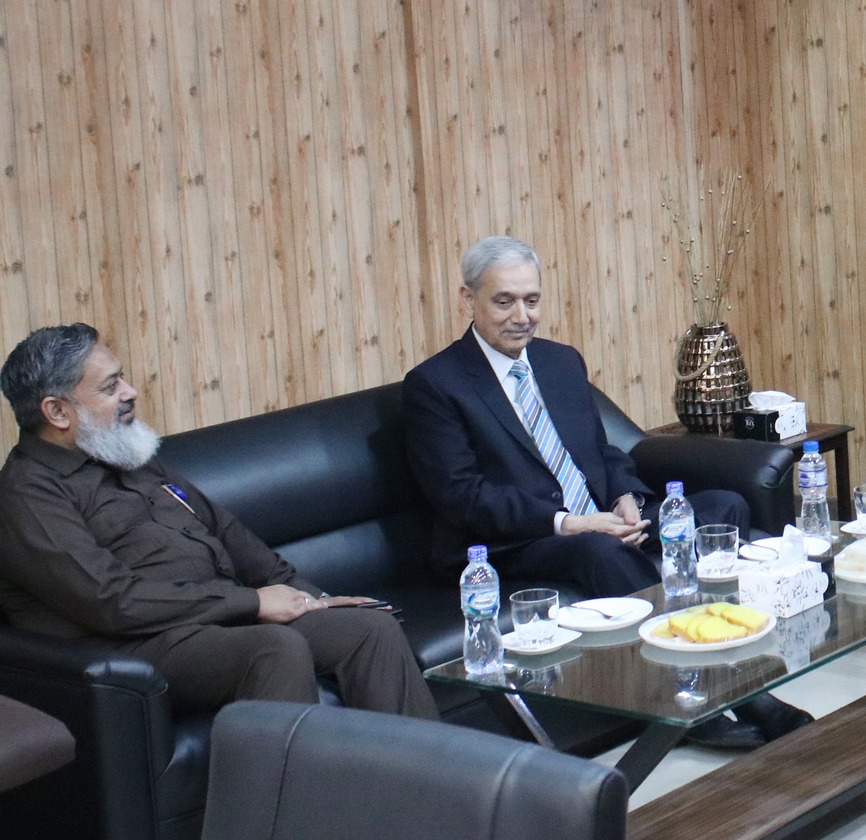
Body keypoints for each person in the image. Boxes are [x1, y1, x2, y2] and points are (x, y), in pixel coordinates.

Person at [403, 235, 808, 746]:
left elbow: (600, 450)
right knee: (599, 550)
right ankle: (706, 700)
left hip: (599, 517)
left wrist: (626, 498)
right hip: (517, 540)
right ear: (469, 299)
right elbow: (461, 494)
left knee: (722, 507)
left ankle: (729, 648)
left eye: (532, 300)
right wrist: (571, 523)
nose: (521, 316)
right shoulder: (436, 384)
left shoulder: (560, 362)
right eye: (504, 301)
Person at [0, 324, 437, 720]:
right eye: (111, 386)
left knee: (368, 628)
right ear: (57, 412)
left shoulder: (123, 453)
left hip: (217, 618)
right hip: (134, 647)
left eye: (123, 378)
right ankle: (294, 788)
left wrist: (315, 598)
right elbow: (113, 602)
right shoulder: (27, 495)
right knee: (274, 648)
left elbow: (226, 531)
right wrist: (252, 603)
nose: (130, 392)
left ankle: (428, 778)